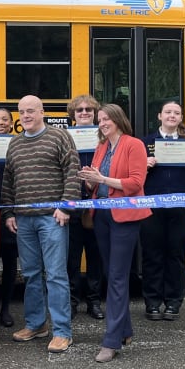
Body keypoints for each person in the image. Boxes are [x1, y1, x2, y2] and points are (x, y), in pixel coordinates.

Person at [1, 95, 80, 353]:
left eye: (31, 111)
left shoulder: (59, 137)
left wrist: (66, 206)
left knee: (56, 275)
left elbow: (72, 171)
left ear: (42, 112)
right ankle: (36, 324)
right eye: (22, 112)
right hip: (24, 219)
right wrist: (9, 213)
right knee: (32, 274)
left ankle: (62, 332)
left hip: (52, 217)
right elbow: (8, 181)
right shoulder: (14, 144)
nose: (26, 116)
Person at [79, 104, 150, 362]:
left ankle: (111, 342)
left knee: (117, 277)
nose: (102, 123)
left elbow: (135, 183)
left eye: (106, 119)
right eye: (100, 120)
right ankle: (125, 330)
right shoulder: (101, 147)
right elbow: (96, 184)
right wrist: (88, 179)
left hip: (125, 216)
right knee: (112, 274)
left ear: (119, 120)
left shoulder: (134, 145)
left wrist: (103, 180)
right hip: (102, 216)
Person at [139, 100, 185, 321]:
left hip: (182, 208)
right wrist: (144, 165)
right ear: (159, 116)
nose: (172, 116)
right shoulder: (145, 143)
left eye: (177, 113)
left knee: (176, 254)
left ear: (181, 118)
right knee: (152, 255)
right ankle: (152, 303)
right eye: (168, 112)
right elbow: (132, 176)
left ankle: (173, 303)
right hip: (152, 207)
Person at [66, 94, 104, 320]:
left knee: (95, 257)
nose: (84, 113)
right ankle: (71, 301)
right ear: (73, 115)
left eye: (89, 110)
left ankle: (94, 302)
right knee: (71, 257)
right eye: (79, 110)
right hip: (72, 204)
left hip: (97, 204)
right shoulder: (65, 137)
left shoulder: (103, 137)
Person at [0, 107, 18, 326]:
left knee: (9, 262)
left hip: (10, 210)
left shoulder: (17, 145)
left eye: (4, 120)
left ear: (11, 123)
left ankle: (5, 309)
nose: (0, 123)